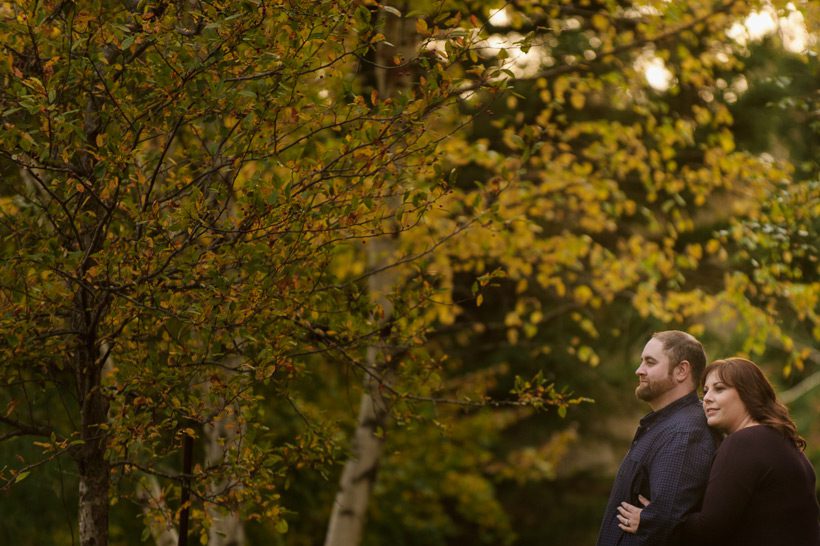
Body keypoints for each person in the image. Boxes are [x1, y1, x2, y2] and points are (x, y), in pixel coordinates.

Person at [618, 357, 820, 546]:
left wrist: (655, 520)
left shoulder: (744, 443)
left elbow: (709, 530)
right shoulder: (785, 443)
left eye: (719, 389)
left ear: (749, 392)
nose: (707, 399)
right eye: (705, 391)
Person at [595, 330, 717, 546]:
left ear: (681, 371)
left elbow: (665, 524)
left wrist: (653, 520)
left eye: (650, 363)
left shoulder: (684, 434)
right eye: (642, 362)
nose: (639, 370)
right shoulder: (666, 425)